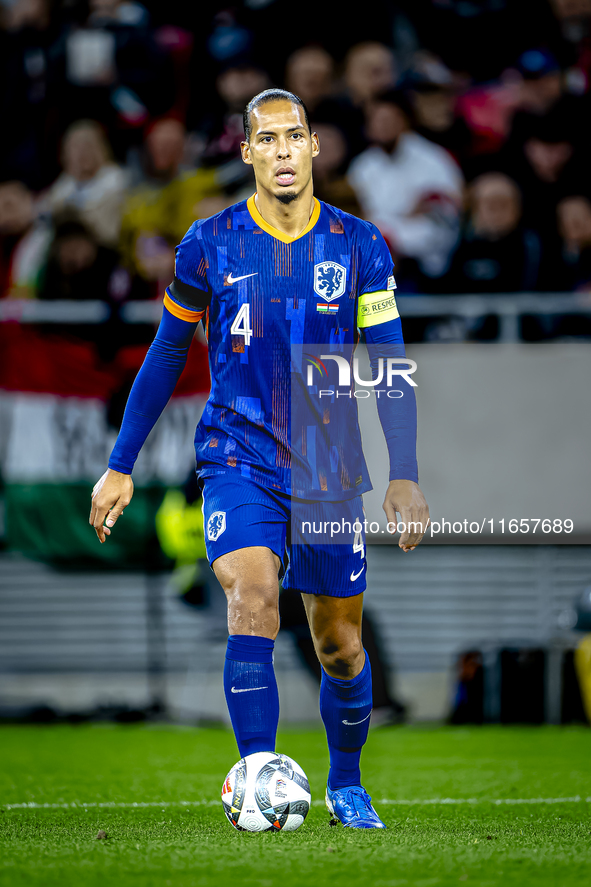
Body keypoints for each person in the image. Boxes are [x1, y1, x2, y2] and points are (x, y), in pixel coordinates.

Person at [89, 88, 429, 830]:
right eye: (266, 139)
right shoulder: (208, 244)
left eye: (293, 136)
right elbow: (167, 350)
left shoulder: (359, 243)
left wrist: (402, 471)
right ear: (247, 152)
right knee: (252, 597)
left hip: (330, 471)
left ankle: (345, 781)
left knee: (338, 646)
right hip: (236, 456)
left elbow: (390, 362)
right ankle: (256, 778)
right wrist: (121, 462)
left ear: (314, 148)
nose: (281, 150)